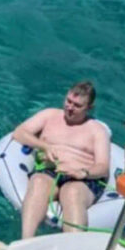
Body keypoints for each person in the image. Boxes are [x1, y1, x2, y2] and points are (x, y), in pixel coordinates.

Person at [12, 81, 111, 239]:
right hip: (51, 170)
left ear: (89, 108)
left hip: (82, 178)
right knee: (38, 181)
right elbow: (19, 133)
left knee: (71, 192)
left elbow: (103, 166)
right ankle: (25, 241)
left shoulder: (97, 130)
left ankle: (72, 249)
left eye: (77, 105)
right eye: (68, 101)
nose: (70, 107)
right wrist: (45, 146)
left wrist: (82, 173)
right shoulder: (49, 115)